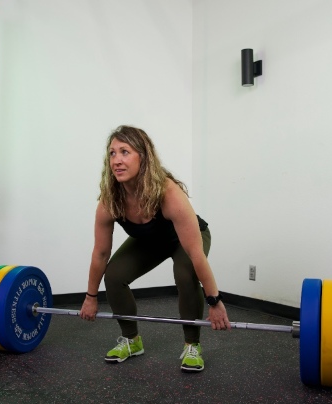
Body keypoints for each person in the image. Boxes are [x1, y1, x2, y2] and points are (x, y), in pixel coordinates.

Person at [79, 125, 230, 372]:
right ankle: (131, 340)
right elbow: (101, 253)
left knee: (184, 272)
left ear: (143, 156)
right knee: (115, 275)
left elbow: (195, 253)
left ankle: (192, 344)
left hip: (187, 240)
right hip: (150, 241)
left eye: (125, 152)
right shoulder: (110, 199)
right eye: (112, 153)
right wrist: (90, 297)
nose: (117, 160)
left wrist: (215, 301)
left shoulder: (168, 193)